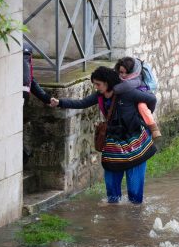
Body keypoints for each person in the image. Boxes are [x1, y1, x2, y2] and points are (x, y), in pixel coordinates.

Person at [50, 66, 157, 204]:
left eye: (98, 84)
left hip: (135, 142)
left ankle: (135, 217)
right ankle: (113, 215)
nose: (96, 87)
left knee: (135, 193)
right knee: (112, 191)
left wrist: (142, 118)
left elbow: (151, 99)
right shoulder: (99, 96)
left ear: (107, 83)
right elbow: (82, 103)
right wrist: (60, 102)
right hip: (113, 144)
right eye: (94, 84)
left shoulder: (128, 93)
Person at [113, 57, 162, 140]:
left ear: (131, 72)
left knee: (142, 106)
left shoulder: (136, 79)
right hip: (128, 110)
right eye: (121, 72)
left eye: (126, 73)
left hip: (143, 93)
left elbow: (119, 88)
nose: (123, 75)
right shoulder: (120, 74)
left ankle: (154, 128)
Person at [22, 42, 52, 164]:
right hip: (21, 97)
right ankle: (24, 155)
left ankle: (24, 155)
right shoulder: (26, 58)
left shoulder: (21, 57)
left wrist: (47, 98)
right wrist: (47, 98)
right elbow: (31, 81)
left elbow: (31, 81)